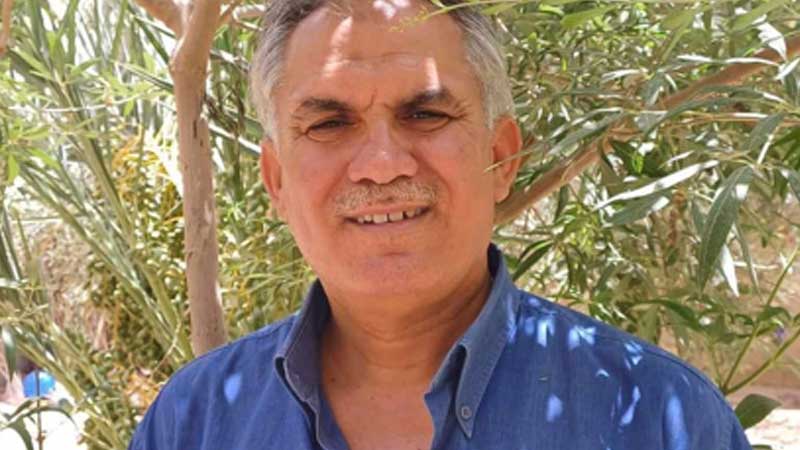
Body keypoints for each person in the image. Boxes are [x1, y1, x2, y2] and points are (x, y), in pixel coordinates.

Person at [129, 1, 752, 449]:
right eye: (329, 123)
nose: (381, 165)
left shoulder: (660, 419)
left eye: (425, 114)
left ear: (502, 158)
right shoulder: (194, 422)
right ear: (277, 182)